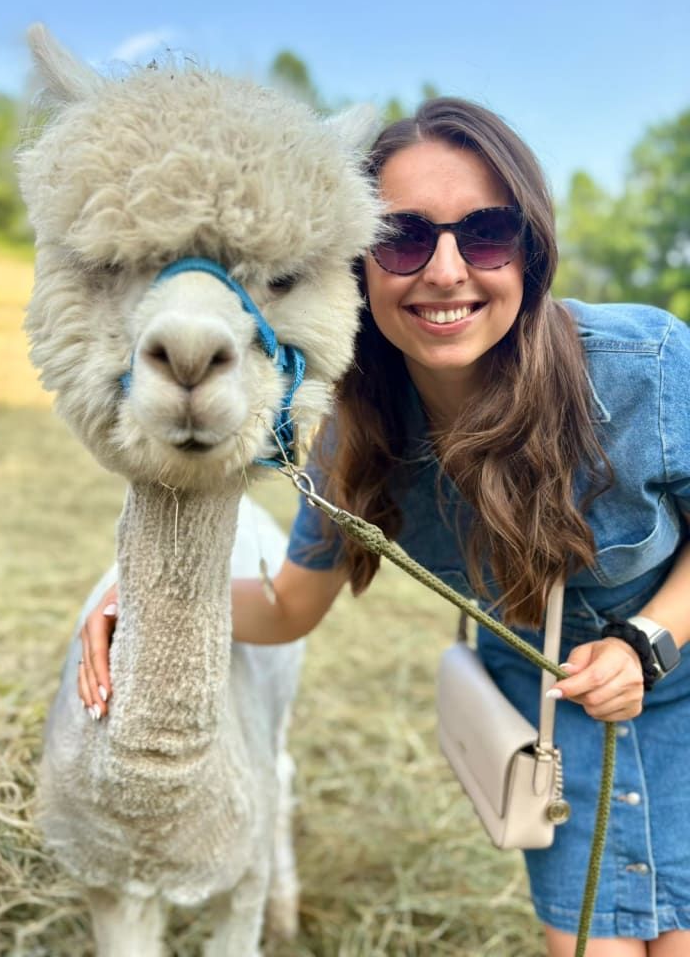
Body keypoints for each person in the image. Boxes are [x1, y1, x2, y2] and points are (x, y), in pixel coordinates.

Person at [77, 97, 690, 956]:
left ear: (530, 249)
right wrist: (149, 606)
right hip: (555, 728)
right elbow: (289, 607)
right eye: (403, 238)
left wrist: (646, 641)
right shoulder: (354, 435)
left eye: (486, 234)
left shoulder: (645, 368)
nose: (445, 270)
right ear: (357, 262)